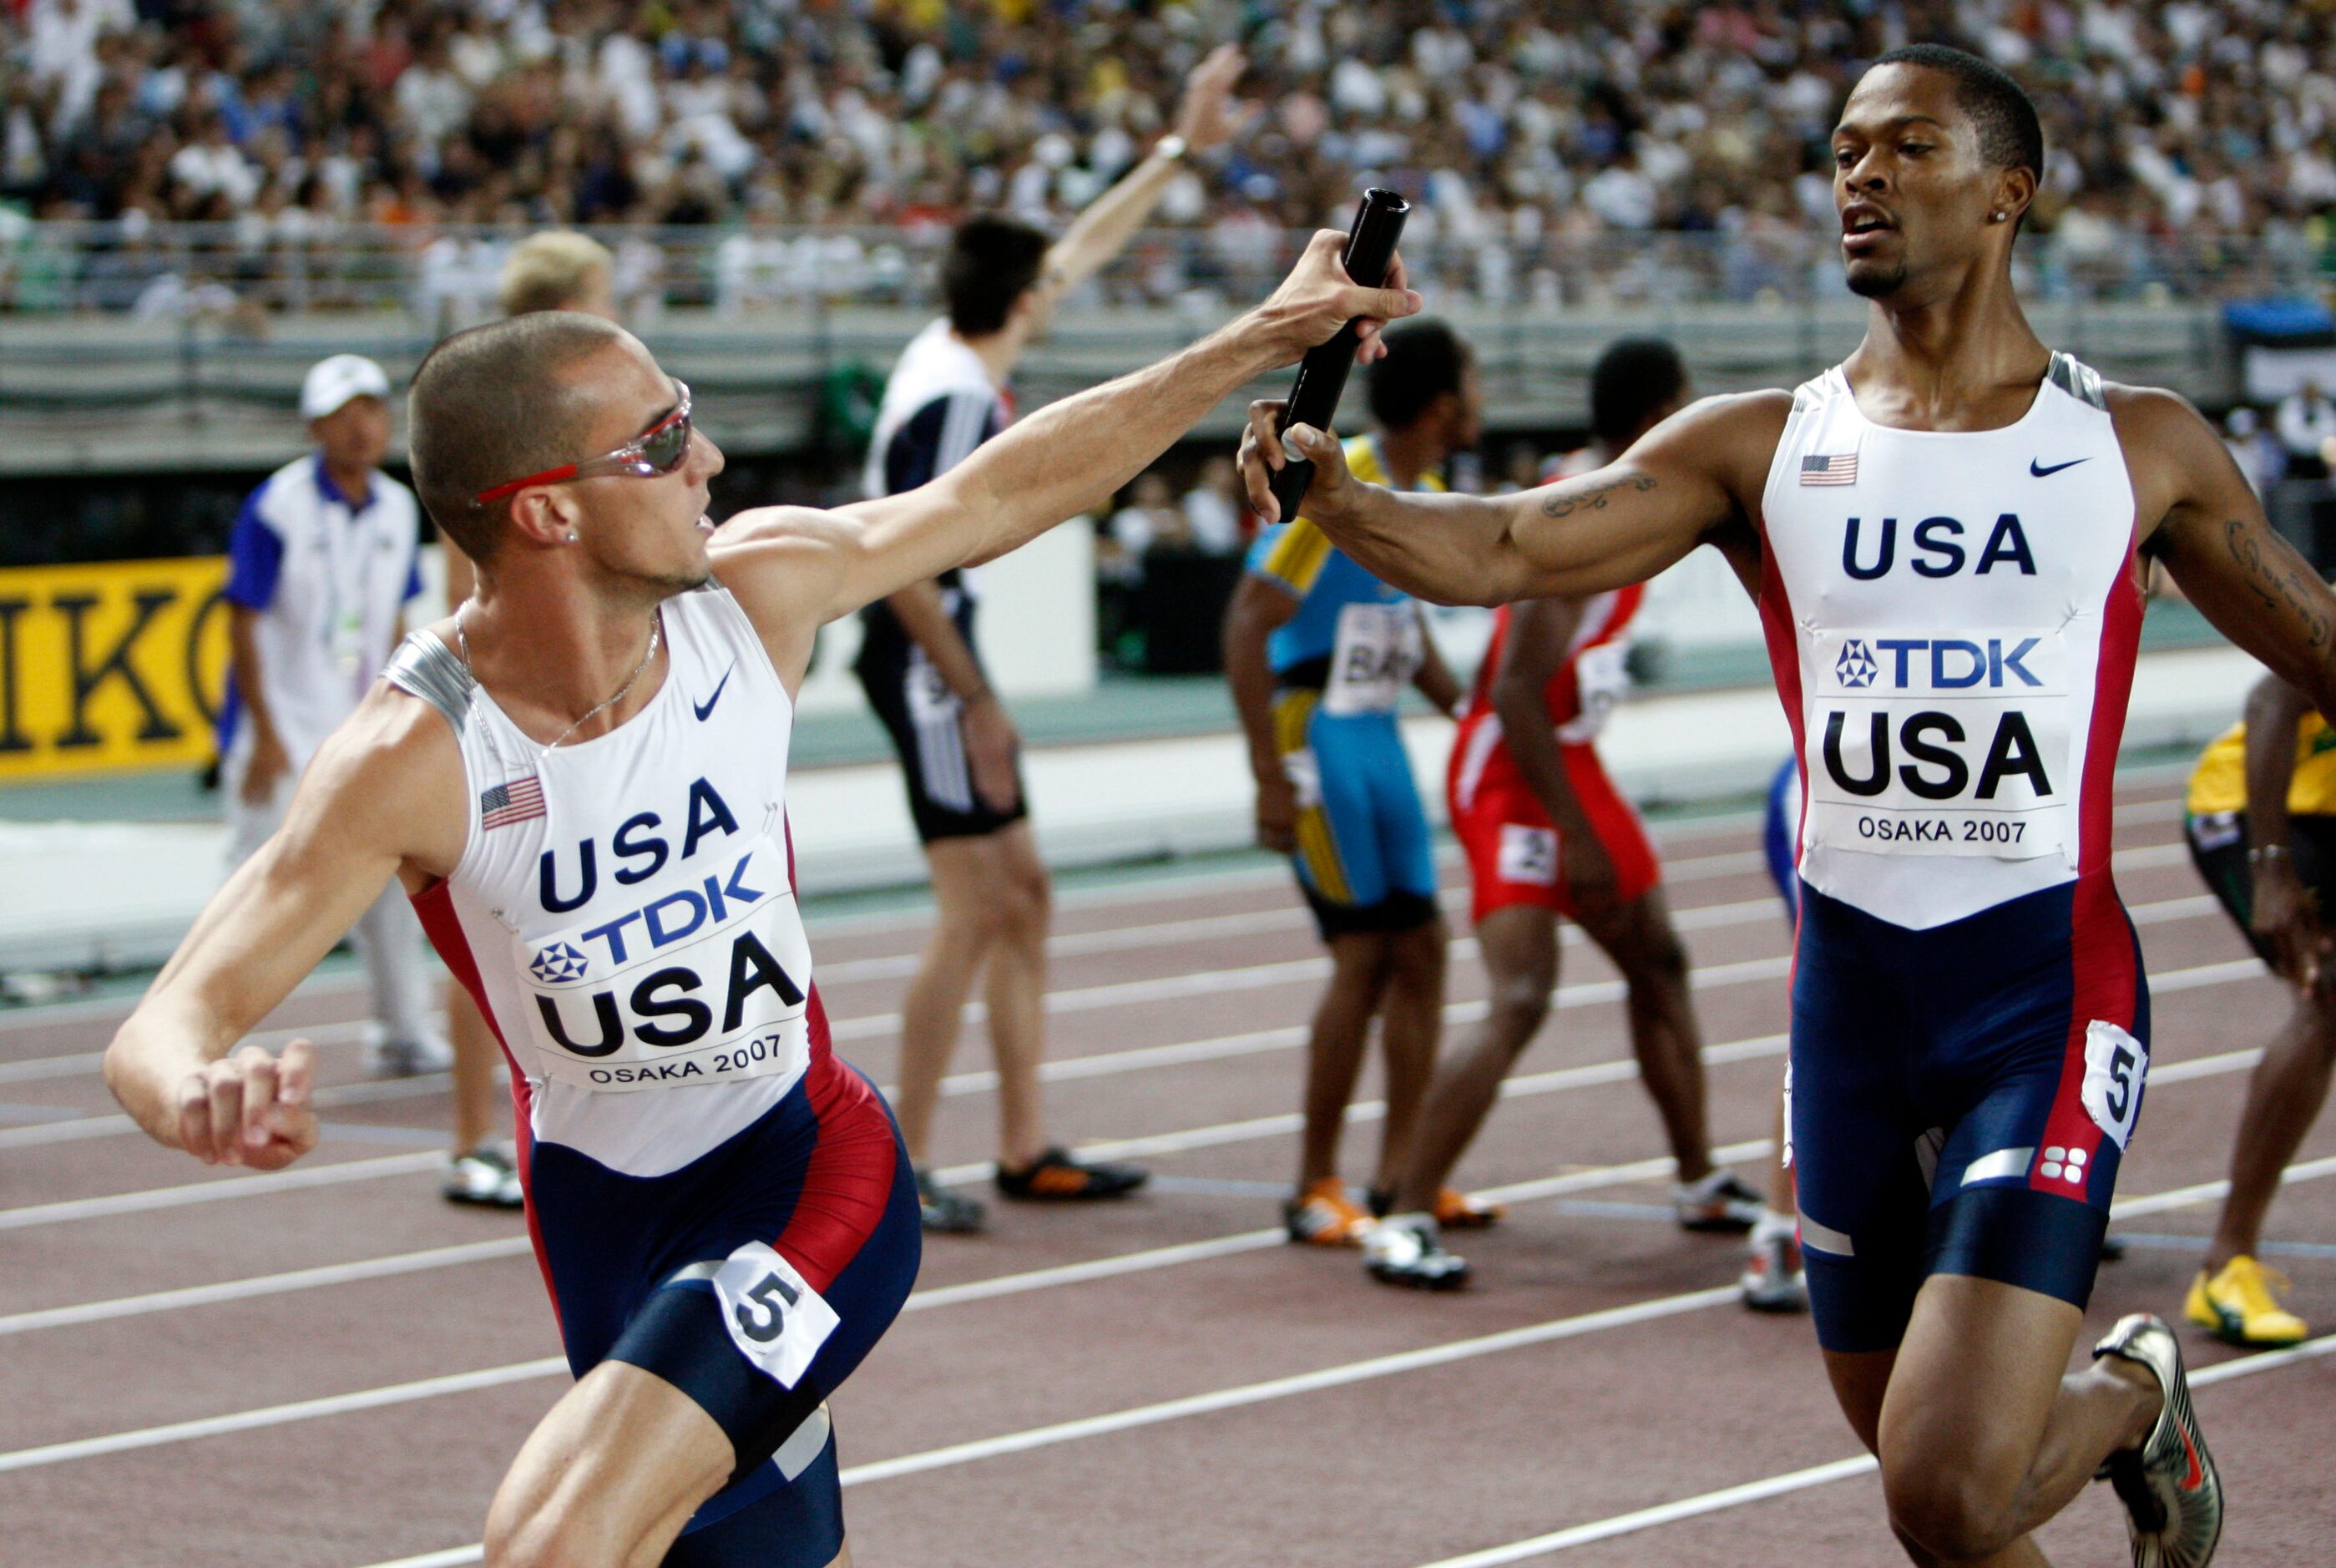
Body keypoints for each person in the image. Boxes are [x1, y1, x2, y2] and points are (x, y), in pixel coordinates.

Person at [102, 235, 1413, 1566]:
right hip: (599, 1209)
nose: (707, 460)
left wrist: (1254, 338)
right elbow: (160, 1026)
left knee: (553, 1543)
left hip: (804, 1163)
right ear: (547, 510)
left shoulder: (752, 595)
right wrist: (196, 1091)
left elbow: (1000, 492)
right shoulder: (416, 757)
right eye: (661, 439)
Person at [1236, 43, 2336, 1567]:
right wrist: (1342, 498)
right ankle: (2123, 1407)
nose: (1860, 178)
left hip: (2043, 993)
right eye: (1838, 154)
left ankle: (2129, 1396)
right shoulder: (1757, 447)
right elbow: (1501, 545)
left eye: (1906, 148)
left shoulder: (2131, 446)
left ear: (2007, 193)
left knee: (1946, 1483)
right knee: (1930, 1484)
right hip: (1850, 1008)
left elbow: (2319, 641)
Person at [857, 44, 1246, 1234]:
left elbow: (1078, 246)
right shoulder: (953, 397)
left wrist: (1178, 149)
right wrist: (974, 697)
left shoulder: (958, 349)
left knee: (1023, 893)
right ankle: (900, 1163)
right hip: (923, 659)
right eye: (1050, 284)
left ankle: (1024, 1143)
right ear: (1023, 300)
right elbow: (901, 564)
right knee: (974, 905)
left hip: (939, 656)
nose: (1063, 285)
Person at [1362, 336, 1763, 1290]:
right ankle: (1402, 1212)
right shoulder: (1587, 511)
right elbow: (1510, 692)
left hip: (1565, 759)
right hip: (1512, 770)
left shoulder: (1636, 488)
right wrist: (1573, 836)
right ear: (1658, 410)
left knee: (1658, 961)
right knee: (1519, 994)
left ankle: (1698, 1177)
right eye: (1687, 399)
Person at [1221, 319, 1474, 1247]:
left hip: (1376, 738)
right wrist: (1267, 778)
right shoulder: (1333, 477)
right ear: (1447, 403)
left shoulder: (1430, 491)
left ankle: (1404, 1176)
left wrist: (1472, 718)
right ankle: (1312, 1183)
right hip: (1313, 734)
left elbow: (1404, 635)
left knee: (1424, 947)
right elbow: (1247, 625)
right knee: (1363, 957)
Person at [434, 228, 627, 1210]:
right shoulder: (488, 423)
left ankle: (569, 1119)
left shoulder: (575, 418)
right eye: (603, 294)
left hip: (582, 708)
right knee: (495, 930)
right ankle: (477, 1136)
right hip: (504, 711)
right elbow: (459, 583)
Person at [219, 352, 445, 1080]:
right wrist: (261, 739)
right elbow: (244, 619)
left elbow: (394, 618)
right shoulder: (276, 505)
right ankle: (206, 1036)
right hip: (280, 730)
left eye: (373, 409)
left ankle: (402, 1030)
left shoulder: (396, 505)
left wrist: (394, 715)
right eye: (345, 414)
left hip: (357, 730)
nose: (363, 426)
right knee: (254, 885)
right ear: (316, 426)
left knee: (387, 880)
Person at [2180, 673, 2336, 1348]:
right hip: (2252, 806)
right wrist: (2271, 868)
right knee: (2327, 992)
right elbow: (2272, 697)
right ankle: (2225, 1266)